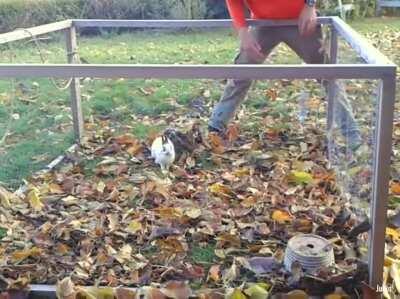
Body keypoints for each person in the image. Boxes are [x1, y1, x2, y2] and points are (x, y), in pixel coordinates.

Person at [208, 0, 362, 150]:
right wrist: (242, 31)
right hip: (264, 24)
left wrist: (310, 5)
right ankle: (215, 126)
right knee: (241, 73)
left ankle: (352, 135)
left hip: (300, 21)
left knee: (328, 75)